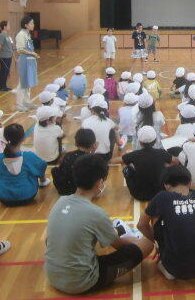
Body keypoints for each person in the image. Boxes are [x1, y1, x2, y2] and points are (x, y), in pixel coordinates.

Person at [45, 154, 153, 294]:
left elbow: (49, 241)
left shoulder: (60, 202)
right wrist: (137, 240)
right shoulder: (96, 213)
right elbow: (119, 245)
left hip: (52, 276)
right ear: (100, 182)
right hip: (81, 282)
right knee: (146, 244)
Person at [138, 164, 195, 280]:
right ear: (189, 182)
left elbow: (141, 225)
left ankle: (166, 264)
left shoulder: (162, 197)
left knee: (155, 215)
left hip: (175, 269)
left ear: (166, 185)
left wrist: (156, 241)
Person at [0, 123, 50, 206]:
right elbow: (42, 166)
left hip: (4, 198)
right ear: (23, 138)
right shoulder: (29, 156)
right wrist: (43, 180)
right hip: (27, 195)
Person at [116, 126, 175, 201]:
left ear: (140, 142)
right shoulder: (162, 153)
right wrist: (165, 167)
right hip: (159, 193)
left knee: (124, 163)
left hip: (138, 194)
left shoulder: (135, 154)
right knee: (166, 168)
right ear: (155, 140)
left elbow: (116, 160)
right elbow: (176, 161)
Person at [52, 128, 98, 195]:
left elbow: (61, 170)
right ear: (93, 145)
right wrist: (93, 152)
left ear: (76, 143)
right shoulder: (93, 160)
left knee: (55, 169)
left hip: (65, 190)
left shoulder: (68, 155)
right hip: (80, 192)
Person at [82, 94, 117, 161]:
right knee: (113, 131)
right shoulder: (109, 121)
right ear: (105, 111)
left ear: (92, 109)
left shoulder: (85, 121)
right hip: (106, 155)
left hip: (90, 154)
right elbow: (117, 128)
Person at [15, 15, 39, 112]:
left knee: (28, 82)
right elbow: (20, 49)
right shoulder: (21, 35)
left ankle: (26, 101)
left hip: (30, 61)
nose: (33, 25)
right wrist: (32, 53)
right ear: (26, 25)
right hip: (24, 61)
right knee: (22, 83)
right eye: (31, 23)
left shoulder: (27, 34)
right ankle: (19, 104)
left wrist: (33, 55)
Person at [0, 20, 14, 91]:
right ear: (4, 27)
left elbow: (10, 46)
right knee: (3, 71)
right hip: (4, 57)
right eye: (8, 25)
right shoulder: (2, 35)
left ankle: (4, 86)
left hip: (9, 56)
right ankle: (1, 87)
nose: (9, 26)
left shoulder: (7, 35)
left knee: (6, 71)